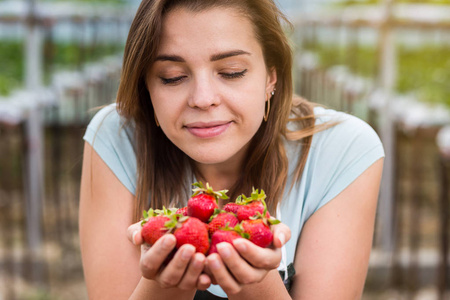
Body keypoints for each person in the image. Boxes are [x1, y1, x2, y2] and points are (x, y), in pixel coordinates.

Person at [79, 0, 385, 299]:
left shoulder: (343, 150)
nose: (203, 98)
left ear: (271, 77)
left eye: (231, 71)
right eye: (172, 77)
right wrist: (164, 286)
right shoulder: (116, 136)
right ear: (145, 85)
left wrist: (258, 281)